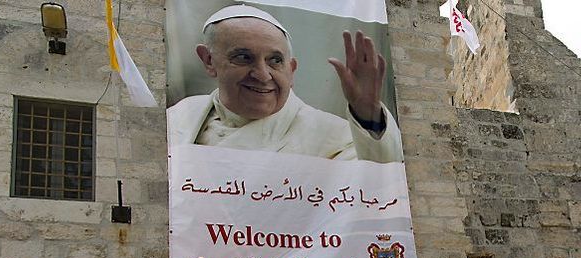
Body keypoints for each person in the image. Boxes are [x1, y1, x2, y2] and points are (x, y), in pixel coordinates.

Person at [168, 4, 404, 163]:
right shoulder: (177, 118)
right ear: (209, 61)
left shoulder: (333, 137)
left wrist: (367, 115)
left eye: (275, 61)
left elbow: (377, 187)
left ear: (291, 70)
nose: (262, 75)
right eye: (243, 58)